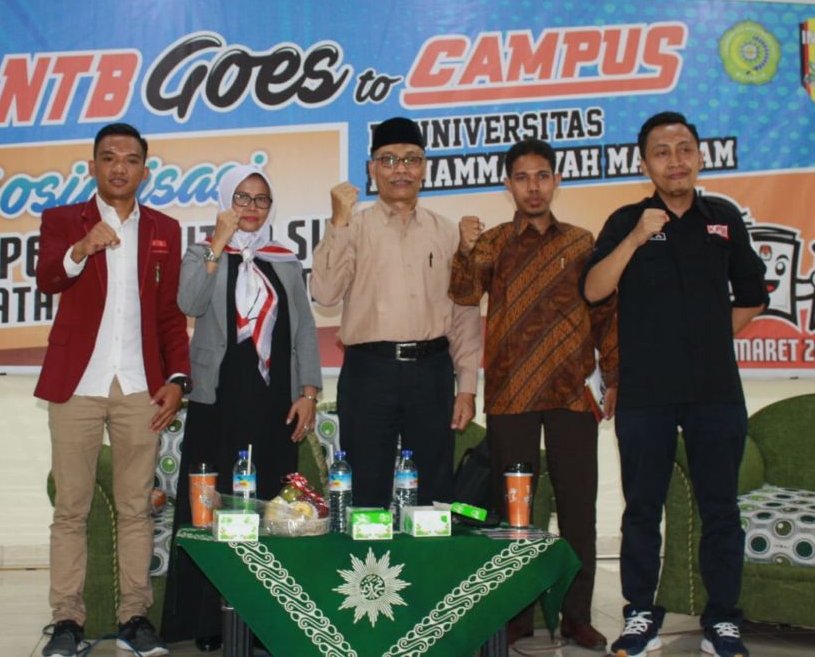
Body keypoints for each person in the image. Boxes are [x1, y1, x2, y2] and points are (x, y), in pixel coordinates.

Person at [581, 112, 768, 657]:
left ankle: (723, 619)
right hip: (646, 393)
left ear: (700, 156)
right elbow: (593, 290)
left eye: (684, 149)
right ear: (645, 164)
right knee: (642, 508)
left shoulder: (723, 219)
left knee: (720, 509)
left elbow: (753, 296)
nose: (675, 161)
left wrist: (707, 337)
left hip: (715, 390)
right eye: (661, 152)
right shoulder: (626, 220)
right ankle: (641, 613)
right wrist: (637, 237)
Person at [449, 138, 618, 650]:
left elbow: (605, 313)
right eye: (522, 178)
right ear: (509, 186)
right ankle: (516, 612)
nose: (533, 187)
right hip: (512, 392)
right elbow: (462, 294)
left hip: (572, 393)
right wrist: (464, 249)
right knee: (513, 513)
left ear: (556, 181)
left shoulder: (582, 242)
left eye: (542, 176)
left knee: (578, 509)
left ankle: (576, 615)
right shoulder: (493, 242)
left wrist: (614, 377)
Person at [35, 123, 189, 657]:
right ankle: (66, 622)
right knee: (70, 509)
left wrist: (177, 379)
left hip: (140, 386)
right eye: (108, 157)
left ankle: (135, 619)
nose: (119, 167)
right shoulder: (63, 220)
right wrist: (81, 249)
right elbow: (48, 278)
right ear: (93, 166)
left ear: (145, 169)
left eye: (130, 159)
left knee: (136, 509)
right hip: (77, 384)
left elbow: (169, 315)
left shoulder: (165, 228)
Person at [161, 164, 322, 652]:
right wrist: (218, 241)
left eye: (261, 199)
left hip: (275, 401)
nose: (252, 208)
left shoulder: (285, 260)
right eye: (242, 198)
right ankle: (209, 620)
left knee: (270, 506)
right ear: (226, 201)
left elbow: (304, 330)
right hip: (219, 399)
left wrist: (309, 393)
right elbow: (190, 303)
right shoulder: (202, 252)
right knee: (214, 505)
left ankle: (265, 621)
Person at [310, 116, 482, 510]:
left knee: (435, 495)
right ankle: (367, 552)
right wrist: (337, 222)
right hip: (369, 372)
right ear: (372, 169)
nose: (400, 169)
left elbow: (464, 314)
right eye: (388, 160)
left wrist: (467, 387)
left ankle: (431, 553)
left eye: (411, 159)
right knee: (365, 492)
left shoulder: (447, 232)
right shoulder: (352, 227)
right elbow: (324, 294)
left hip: (432, 372)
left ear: (424, 168)